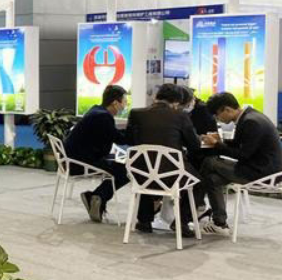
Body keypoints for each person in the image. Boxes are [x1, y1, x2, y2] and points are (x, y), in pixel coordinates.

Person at [125, 83, 203, 236]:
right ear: (177, 102)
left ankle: (144, 221)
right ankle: (181, 222)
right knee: (199, 183)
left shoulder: (136, 113)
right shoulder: (181, 116)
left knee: (148, 165)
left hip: (140, 173)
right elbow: (194, 145)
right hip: (172, 176)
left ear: (156, 96)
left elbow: (129, 139)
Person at [199, 92, 282, 235]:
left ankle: (193, 207)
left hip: (261, 173)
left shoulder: (251, 122)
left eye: (217, 115)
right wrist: (220, 141)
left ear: (226, 109)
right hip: (260, 168)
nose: (217, 119)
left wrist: (217, 145)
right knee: (212, 179)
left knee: (209, 162)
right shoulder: (250, 116)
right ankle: (220, 224)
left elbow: (243, 155)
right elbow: (242, 145)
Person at [64, 85, 129, 222]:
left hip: (75, 158)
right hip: (81, 162)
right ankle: (97, 196)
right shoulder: (103, 117)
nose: (125, 105)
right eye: (124, 102)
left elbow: (112, 134)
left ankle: (95, 197)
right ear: (115, 103)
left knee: (118, 162)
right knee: (126, 170)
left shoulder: (96, 110)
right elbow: (119, 138)